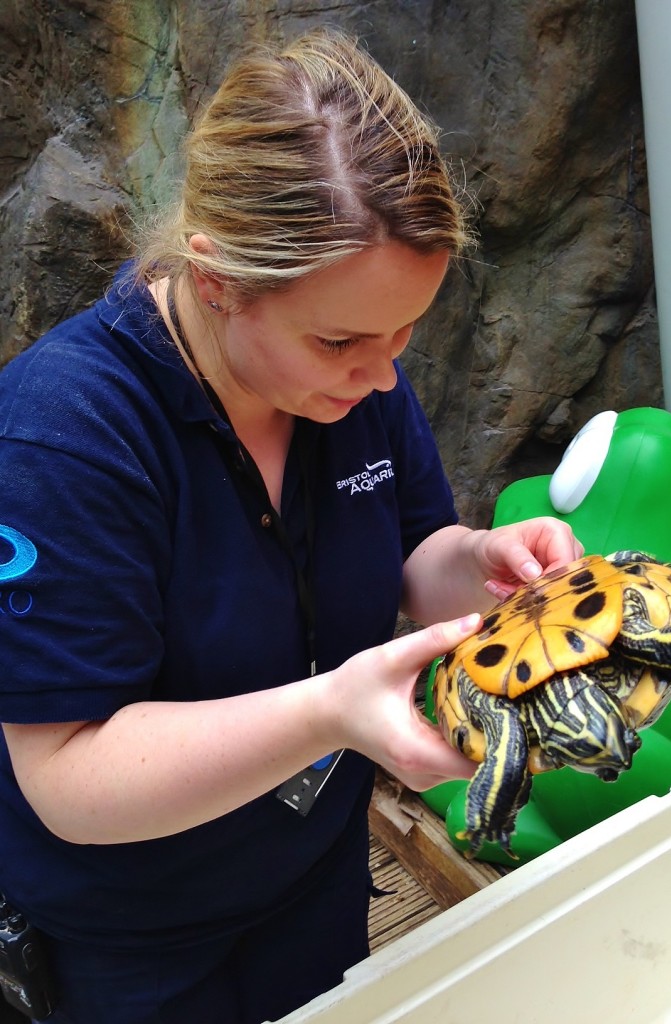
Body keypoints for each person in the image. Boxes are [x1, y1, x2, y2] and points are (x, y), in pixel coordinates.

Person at [0, 29, 582, 1024]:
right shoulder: (64, 435)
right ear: (215, 274)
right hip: (134, 930)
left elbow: (414, 554)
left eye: (407, 333)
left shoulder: (353, 382)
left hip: (312, 875)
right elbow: (68, 775)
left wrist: (485, 567)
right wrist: (329, 710)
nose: (384, 375)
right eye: (343, 339)